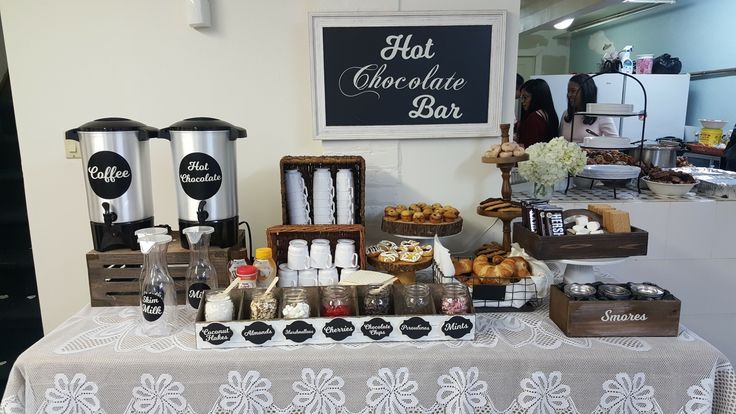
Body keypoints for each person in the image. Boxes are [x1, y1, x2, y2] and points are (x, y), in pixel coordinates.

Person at [559, 73, 618, 143]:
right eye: (568, 91)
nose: (569, 95)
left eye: (573, 91)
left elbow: (615, 142)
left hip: (591, 153)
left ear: (586, 92)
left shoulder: (601, 115)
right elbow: (560, 141)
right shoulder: (566, 114)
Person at [516, 79, 559, 147]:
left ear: (536, 98)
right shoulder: (549, 114)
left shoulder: (534, 118)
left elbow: (529, 146)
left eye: (525, 97)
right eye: (522, 97)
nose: (522, 101)